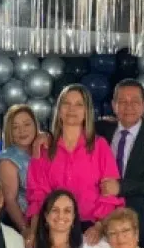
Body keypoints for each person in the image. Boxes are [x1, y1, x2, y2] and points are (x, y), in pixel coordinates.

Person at [26, 85, 122, 235]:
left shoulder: (100, 146)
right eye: (66, 103)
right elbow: (38, 195)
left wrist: (98, 227)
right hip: (53, 228)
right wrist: (33, 232)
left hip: (91, 229)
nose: (72, 109)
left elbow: (109, 195)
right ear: (59, 110)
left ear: (86, 112)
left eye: (79, 104)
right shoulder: (43, 148)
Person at [97, 79, 144, 248]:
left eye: (134, 102)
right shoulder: (100, 131)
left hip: (141, 223)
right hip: (101, 221)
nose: (128, 106)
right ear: (114, 105)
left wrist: (121, 188)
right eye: (122, 101)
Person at [0, 104, 39, 232]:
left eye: (27, 124)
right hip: (20, 224)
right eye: (16, 127)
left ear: (35, 125)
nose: (22, 131)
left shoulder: (45, 150)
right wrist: (26, 231)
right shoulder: (8, 159)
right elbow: (10, 201)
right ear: (10, 131)